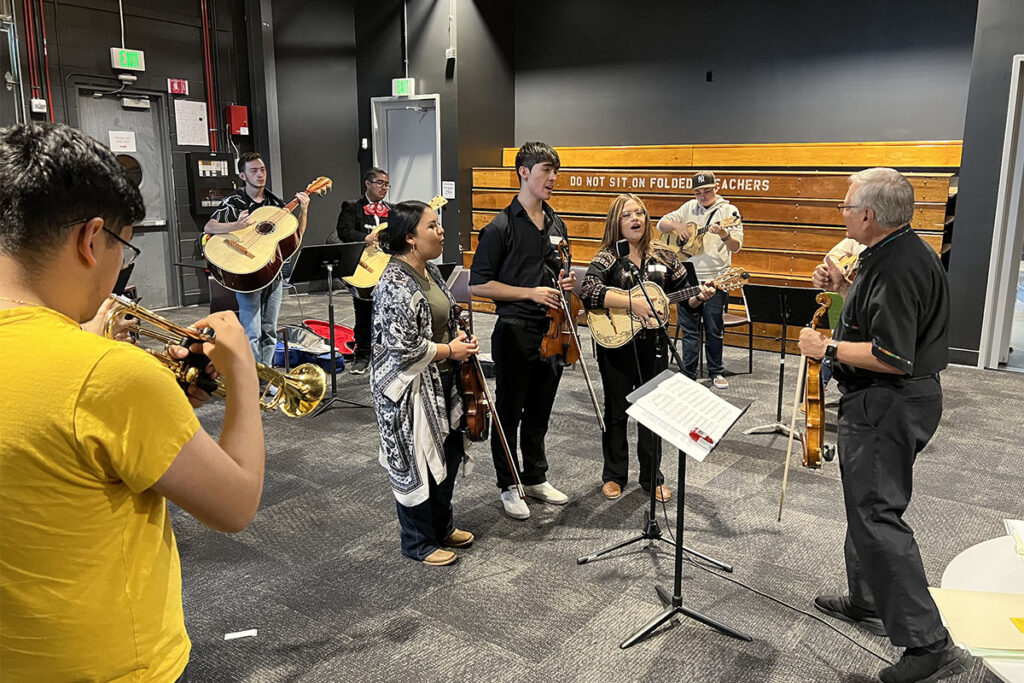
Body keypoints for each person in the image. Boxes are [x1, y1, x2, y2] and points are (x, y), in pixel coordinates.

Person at [0, 122, 265, 681]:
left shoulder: (103, 376)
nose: (123, 264)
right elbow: (235, 506)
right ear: (90, 239)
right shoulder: (109, 377)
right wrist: (242, 375)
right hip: (112, 665)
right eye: (124, 245)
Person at [798, 168, 970, 683]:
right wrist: (844, 288)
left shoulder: (896, 268)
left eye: (846, 207)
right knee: (865, 505)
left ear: (869, 215)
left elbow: (892, 355)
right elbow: (877, 317)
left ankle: (929, 645)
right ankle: (868, 600)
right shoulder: (895, 253)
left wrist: (825, 346)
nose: (843, 213)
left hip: (888, 403)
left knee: (877, 515)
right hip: (890, 403)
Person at [580, 194, 715, 501]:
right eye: (627, 215)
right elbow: (588, 290)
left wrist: (699, 297)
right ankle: (614, 474)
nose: (635, 219)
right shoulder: (608, 257)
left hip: (654, 345)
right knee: (617, 411)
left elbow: (685, 298)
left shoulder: (666, 257)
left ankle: (652, 476)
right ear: (617, 222)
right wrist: (632, 302)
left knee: (653, 413)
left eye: (639, 212)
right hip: (615, 346)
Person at [469, 141, 577, 520]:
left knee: (540, 411)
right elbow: (479, 284)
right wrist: (529, 293)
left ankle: (534, 475)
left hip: (552, 332)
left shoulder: (556, 222)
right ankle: (509, 484)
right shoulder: (499, 226)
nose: (553, 178)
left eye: (555, 172)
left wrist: (564, 284)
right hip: (514, 331)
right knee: (509, 411)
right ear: (524, 172)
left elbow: (561, 268)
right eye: (546, 170)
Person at [370, 200, 479, 566]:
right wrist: (451, 348)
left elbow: (444, 316)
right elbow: (403, 351)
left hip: (440, 380)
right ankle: (417, 542)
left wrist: (460, 341)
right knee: (415, 461)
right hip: (407, 390)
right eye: (433, 226)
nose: (441, 230)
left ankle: (442, 526)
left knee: (445, 456)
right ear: (411, 239)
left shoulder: (428, 271)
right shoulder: (394, 283)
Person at [205, 151, 310, 365]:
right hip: (247, 272)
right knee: (251, 330)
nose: (260, 175)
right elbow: (209, 226)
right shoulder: (234, 201)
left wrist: (304, 210)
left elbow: (295, 237)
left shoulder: (274, 202)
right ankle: (252, 376)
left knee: (269, 329)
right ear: (242, 176)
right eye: (253, 171)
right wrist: (236, 225)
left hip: (274, 272)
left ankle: (267, 373)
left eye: (262, 170)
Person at [657, 171, 743, 388]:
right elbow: (661, 225)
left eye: (707, 191)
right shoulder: (688, 208)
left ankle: (716, 371)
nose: (703, 196)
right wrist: (677, 227)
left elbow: (737, 246)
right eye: (698, 192)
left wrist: (724, 234)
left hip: (716, 278)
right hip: (687, 276)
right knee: (689, 328)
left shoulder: (729, 211)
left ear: (716, 188)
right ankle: (688, 372)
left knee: (713, 327)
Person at [336, 167, 393, 374]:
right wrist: (364, 238)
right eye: (379, 183)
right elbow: (343, 231)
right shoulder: (352, 206)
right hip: (363, 266)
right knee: (363, 311)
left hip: (385, 267)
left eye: (386, 184)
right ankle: (362, 355)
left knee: (389, 312)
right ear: (367, 184)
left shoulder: (392, 210)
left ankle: (387, 353)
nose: (383, 187)